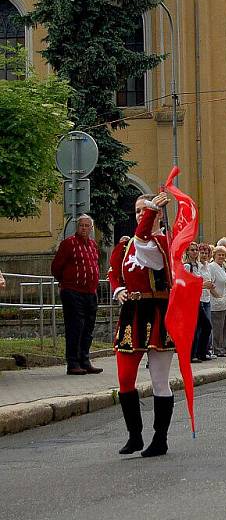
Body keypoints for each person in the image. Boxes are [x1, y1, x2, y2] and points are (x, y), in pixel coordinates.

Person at [108, 193, 176, 457]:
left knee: (159, 381)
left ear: (158, 214)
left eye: (144, 211)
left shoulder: (161, 243)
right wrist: (119, 290)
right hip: (132, 312)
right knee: (125, 378)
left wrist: (150, 214)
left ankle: (160, 438)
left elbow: (145, 245)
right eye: (137, 211)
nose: (139, 214)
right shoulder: (126, 245)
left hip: (157, 311)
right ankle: (134, 435)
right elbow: (114, 272)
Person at [51, 214, 102, 376]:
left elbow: (94, 264)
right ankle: (73, 363)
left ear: (91, 228)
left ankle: (85, 361)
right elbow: (56, 267)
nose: (84, 228)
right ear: (77, 227)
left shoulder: (93, 245)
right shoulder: (69, 244)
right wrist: (66, 282)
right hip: (73, 292)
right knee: (75, 327)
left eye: (87, 226)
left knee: (88, 328)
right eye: (82, 225)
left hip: (90, 292)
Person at [185, 242, 214, 362]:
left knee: (206, 326)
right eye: (192, 250)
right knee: (196, 327)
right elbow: (186, 285)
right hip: (190, 300)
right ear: (187, 252)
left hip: (198, 299)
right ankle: (192, 354)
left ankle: (201, 352)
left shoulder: (197, 265)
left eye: (196, 250)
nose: (195, 252)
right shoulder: (187, 266)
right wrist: (202, 285)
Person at [208, 245, 226, 356]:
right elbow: (210, 283)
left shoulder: (223, 267)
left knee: (224, 327)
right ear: (214, 255)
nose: (221, 257)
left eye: (223, 255)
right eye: (219, 254)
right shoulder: (212, 267)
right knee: (217, 328)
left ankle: (222, 348)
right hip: (217, 302)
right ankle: (217, 348)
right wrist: (217, 296)